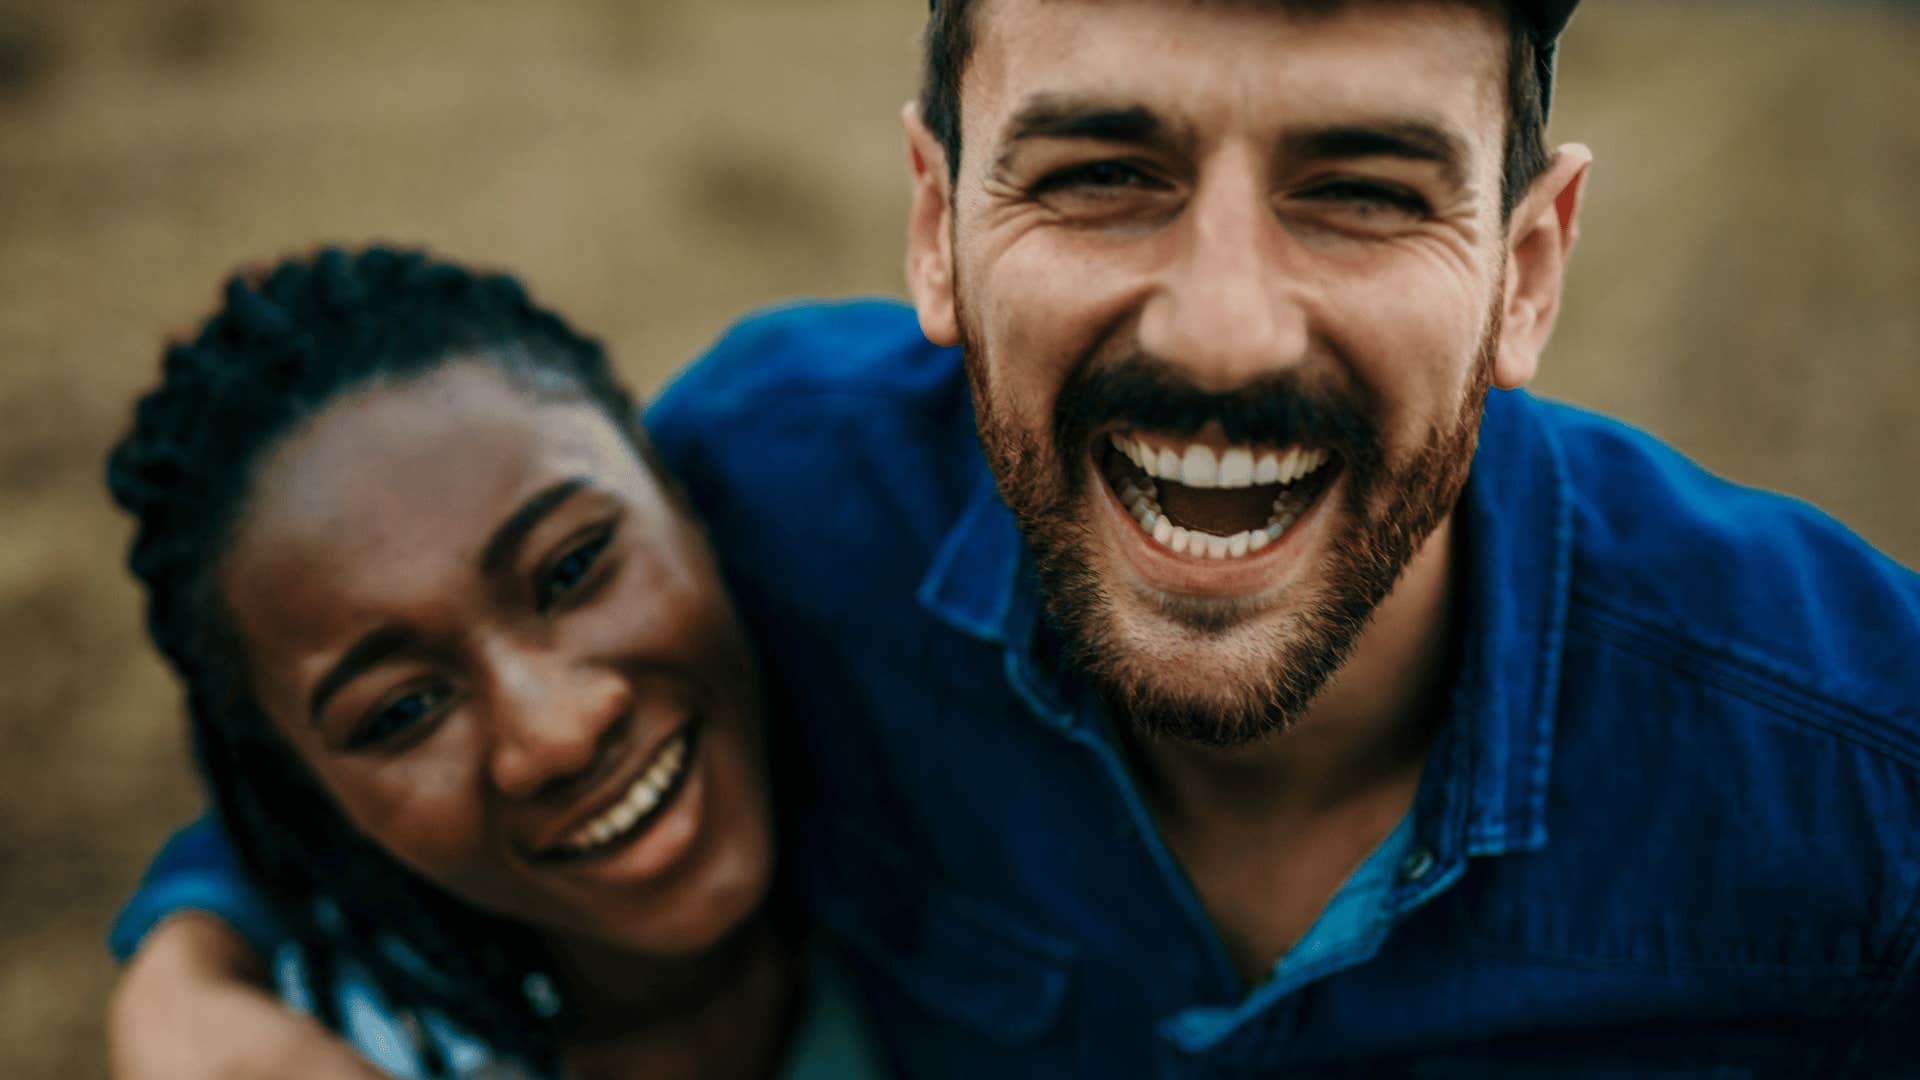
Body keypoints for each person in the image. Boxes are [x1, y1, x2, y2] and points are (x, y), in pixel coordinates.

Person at [111, 1, 1920, 1076]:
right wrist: (183, 977)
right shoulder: (780, 483)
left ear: (1526, 271)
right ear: (935, 226)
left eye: (1362, 192)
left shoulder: (1866, 785)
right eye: (1097, 174)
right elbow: (393, 727)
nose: (1222, 332)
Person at [103, 247, 890, 1079]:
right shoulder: (320, 1052)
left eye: (570, 569)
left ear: (683, 497)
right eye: (403, 709)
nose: (560, 733)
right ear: (308, 793)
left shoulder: (928, 717)